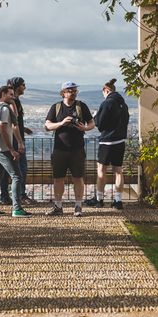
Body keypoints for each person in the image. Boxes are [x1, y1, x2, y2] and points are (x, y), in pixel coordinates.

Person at [44, 81, 95, 217]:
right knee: (58, 178)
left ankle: (78, 206)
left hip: (77, 149)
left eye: (74, 90)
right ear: (63, 93)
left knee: (78, 178)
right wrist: (61, 123)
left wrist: (84, 128)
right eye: (70, 90)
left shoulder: (81, 106)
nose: (73, 93)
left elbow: (92, 123)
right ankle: (58, 206)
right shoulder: (56, 107)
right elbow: (47, 125)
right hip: (60, 149)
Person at [85, 79, 130, 210]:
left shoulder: (107, 103)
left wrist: (95, 116)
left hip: (107, 141)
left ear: (106, 90)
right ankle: (118, 200)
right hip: (120, 141)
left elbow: (100, 124)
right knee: (118, 171)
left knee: (101, 170)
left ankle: (99, 199)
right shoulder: (123, 104)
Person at [0, 85, 30, 217]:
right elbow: (3, 128)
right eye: (10, 94)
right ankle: (17, 208)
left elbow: (14, 123)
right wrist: (12, 149)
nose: (13, 97)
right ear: (3, 94)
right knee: (17, 176)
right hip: (4, 149)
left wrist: (19, 142)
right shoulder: (4, 110)